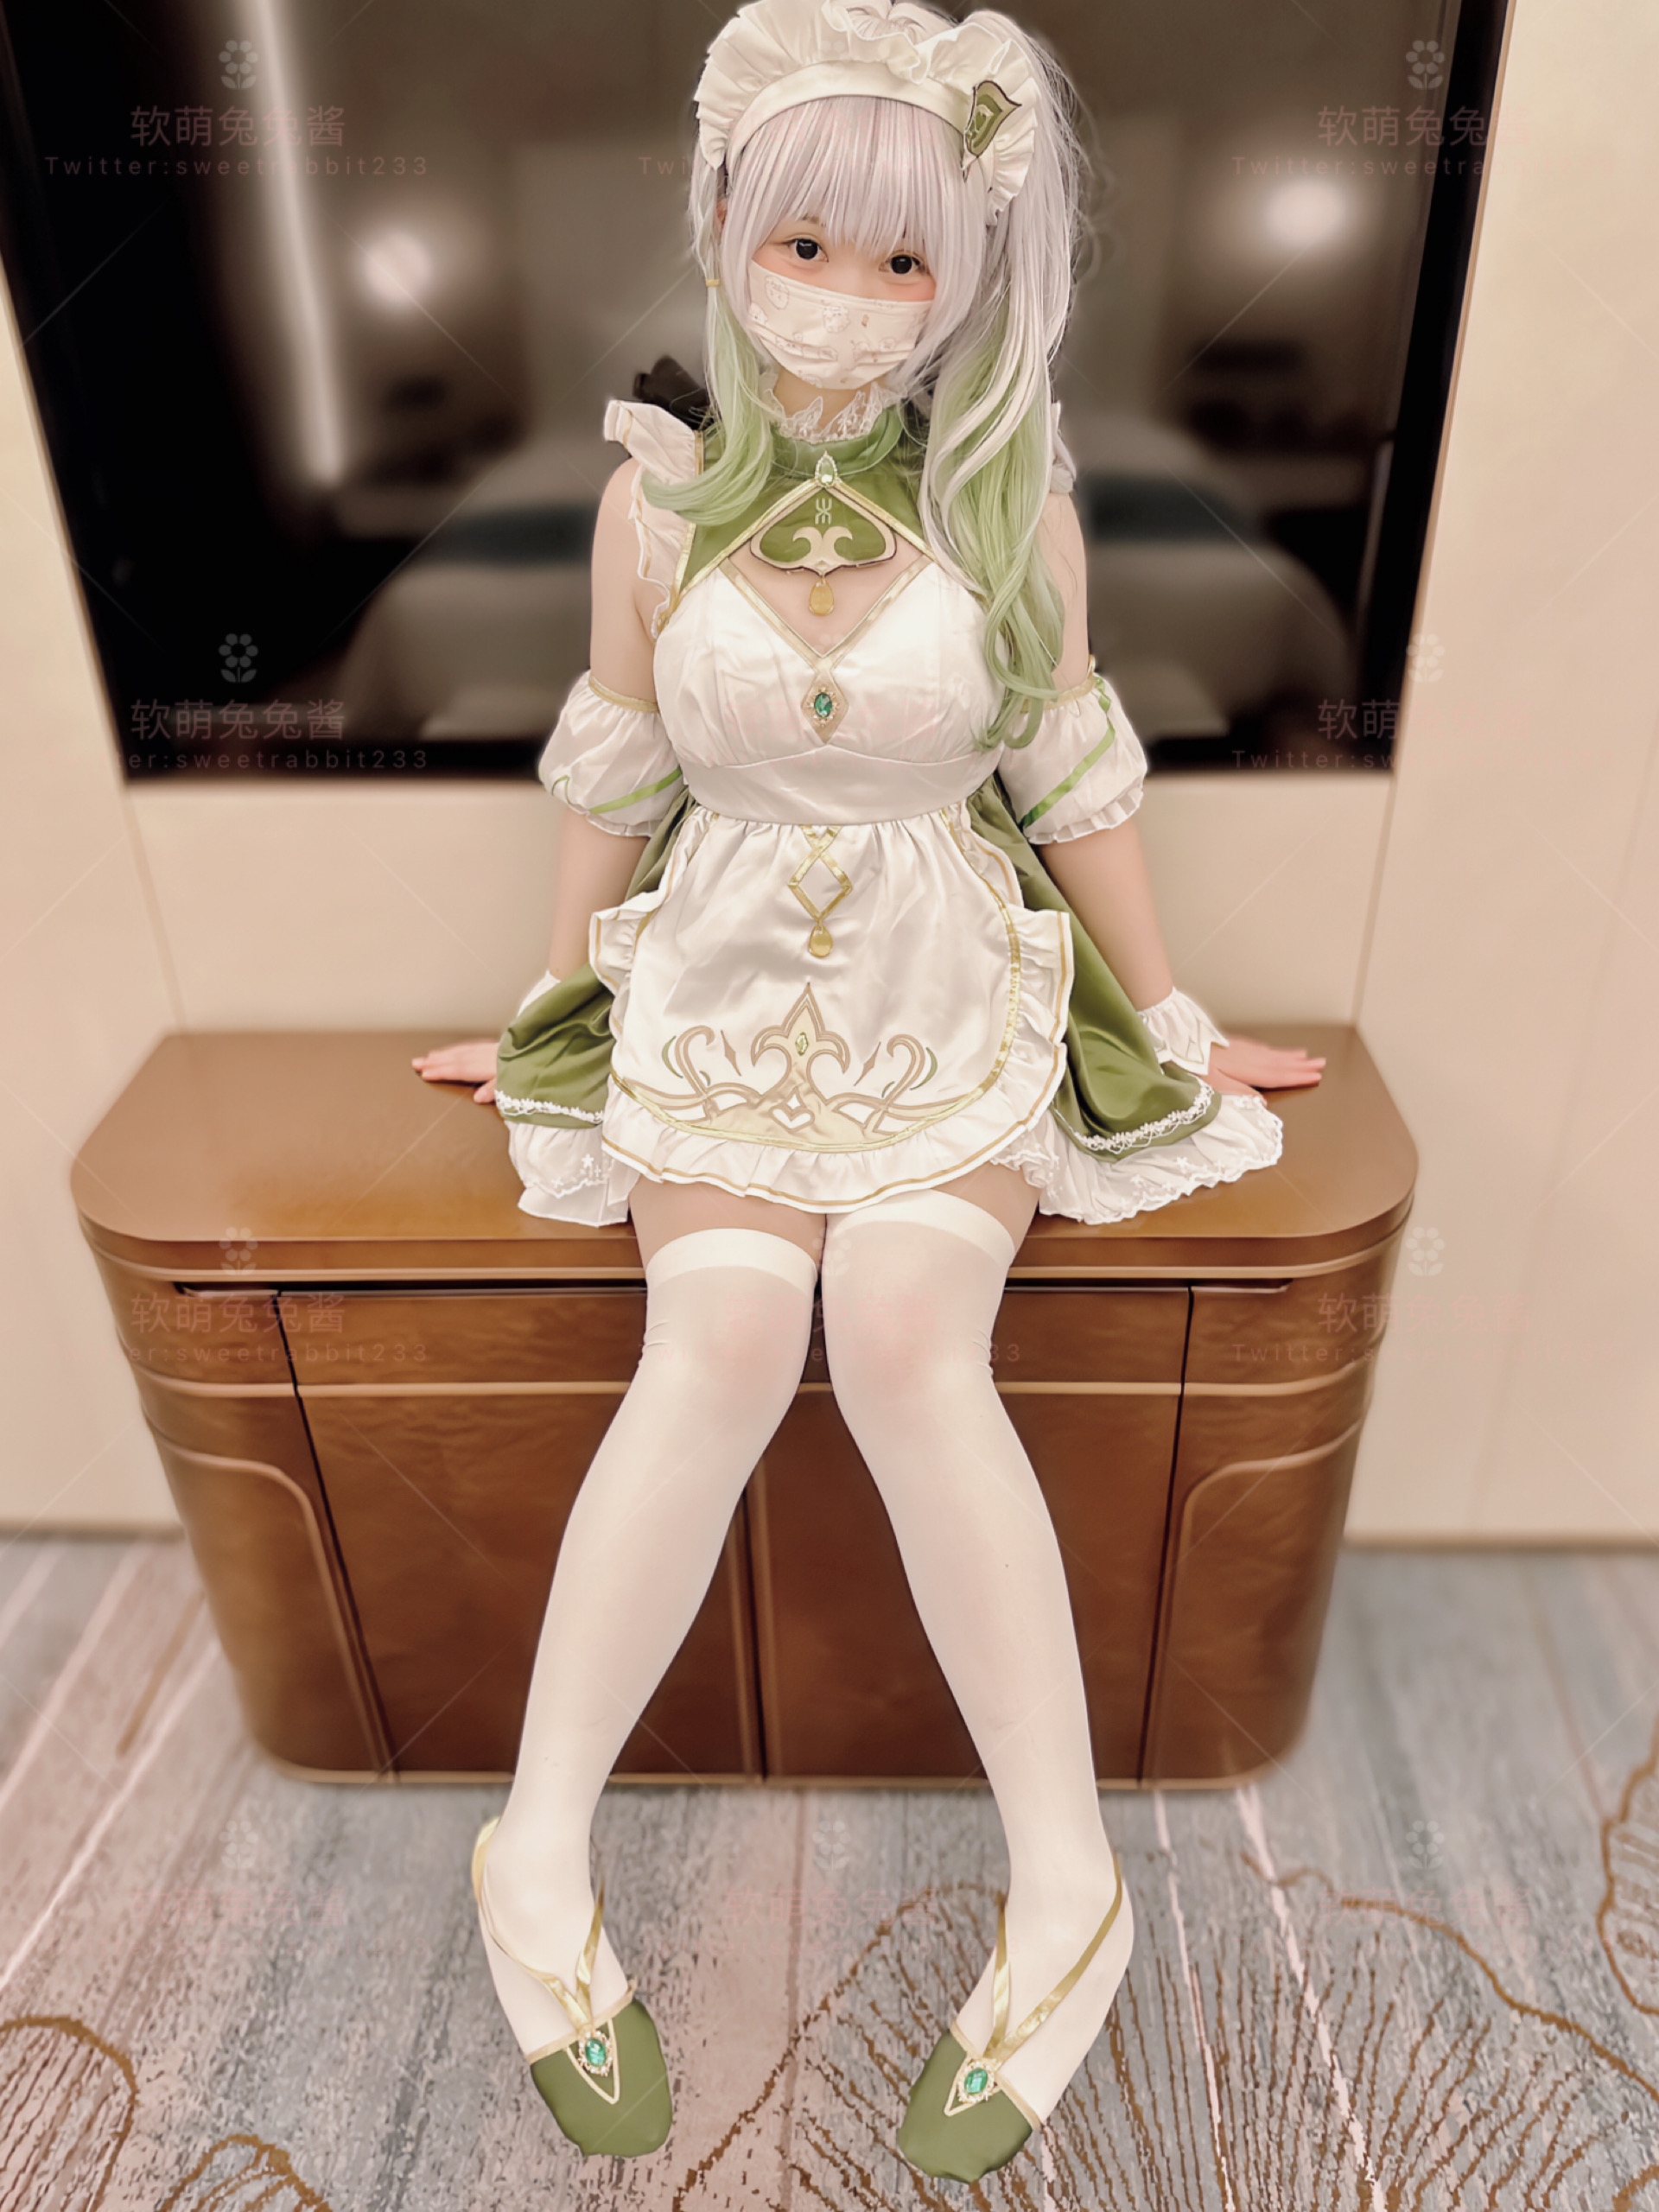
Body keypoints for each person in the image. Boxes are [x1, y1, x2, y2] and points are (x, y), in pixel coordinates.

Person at [416, 0, 1324, 2177]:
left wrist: (1170, 1010)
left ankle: (1067, 1882)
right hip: (722, 971)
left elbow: (1074, 771)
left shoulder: (1017, 501)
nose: (845, 292)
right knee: (721, 1336)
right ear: (728, 226)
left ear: (969, 274)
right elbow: (616, 768)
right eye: (805, 241)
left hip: (943, 964)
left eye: (904, 256)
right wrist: (547, 1002)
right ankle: (536, 1849)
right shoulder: (650, 501)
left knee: (913, 1335)